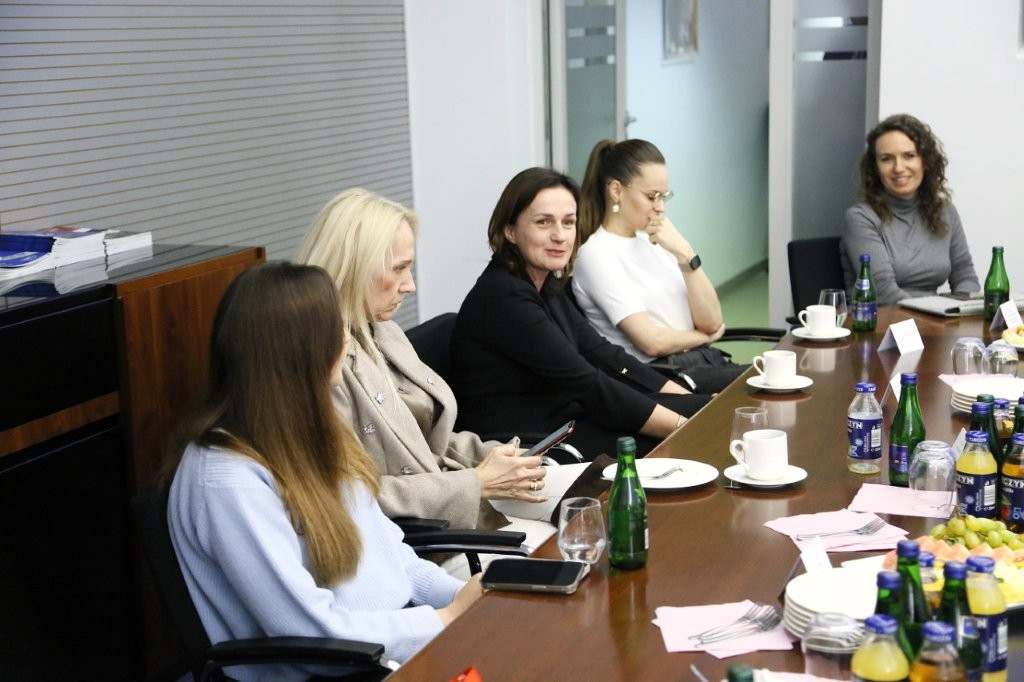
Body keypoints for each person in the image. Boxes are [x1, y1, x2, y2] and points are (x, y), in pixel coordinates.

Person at [166, 263, 481, 677]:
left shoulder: (312, 433)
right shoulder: (228, 480)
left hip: (390, 647)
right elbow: (314, 634)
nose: (347, 338)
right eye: (336, 327)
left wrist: (464, 598)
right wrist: (444, 619)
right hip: (343, 668)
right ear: (302, 350)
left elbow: (393, 558)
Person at [295, 188, 549, 536]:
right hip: (417, 541)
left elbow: (422, 441)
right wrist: (475, 483)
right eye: (399, 268)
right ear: (353, 267)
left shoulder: (382, 331)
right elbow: (346, 496)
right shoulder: (321, 365)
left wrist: (498, 458)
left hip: (451, 514)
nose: (410, 285)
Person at [451, 167, 712, 459]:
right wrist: (685, 426)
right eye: (543, 222)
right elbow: (589, 383)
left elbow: (606, 356)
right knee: (703, 435)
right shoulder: (504, 297)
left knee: (711, 411)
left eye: (568, 222)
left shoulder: (543, 282)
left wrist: (693, 401)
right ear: (510, 231)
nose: (559, 236)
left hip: (570, 418)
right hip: (535, 443)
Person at [573, 138, 745, 394]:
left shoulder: (655, 241)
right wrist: (703, 338)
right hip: (663, 377)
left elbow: (712, 321)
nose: (661, 207)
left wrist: (685, 253)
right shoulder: (596, 254)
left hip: (701, 362)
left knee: (780, 378)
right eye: (652, 197)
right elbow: (651, 342)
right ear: (616, 191)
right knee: (768, 383)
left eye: (664, 197)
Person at [840, 113, 979, 306]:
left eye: (909, 156)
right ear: (875, 167)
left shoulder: (945, 211)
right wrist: (937, 313)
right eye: (886, 159)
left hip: (932, 319)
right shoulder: (860, 218)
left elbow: (965, 276)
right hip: (877, 319)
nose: (898, 168)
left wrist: (961, 311)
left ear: (925, 161)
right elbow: (883, 292)